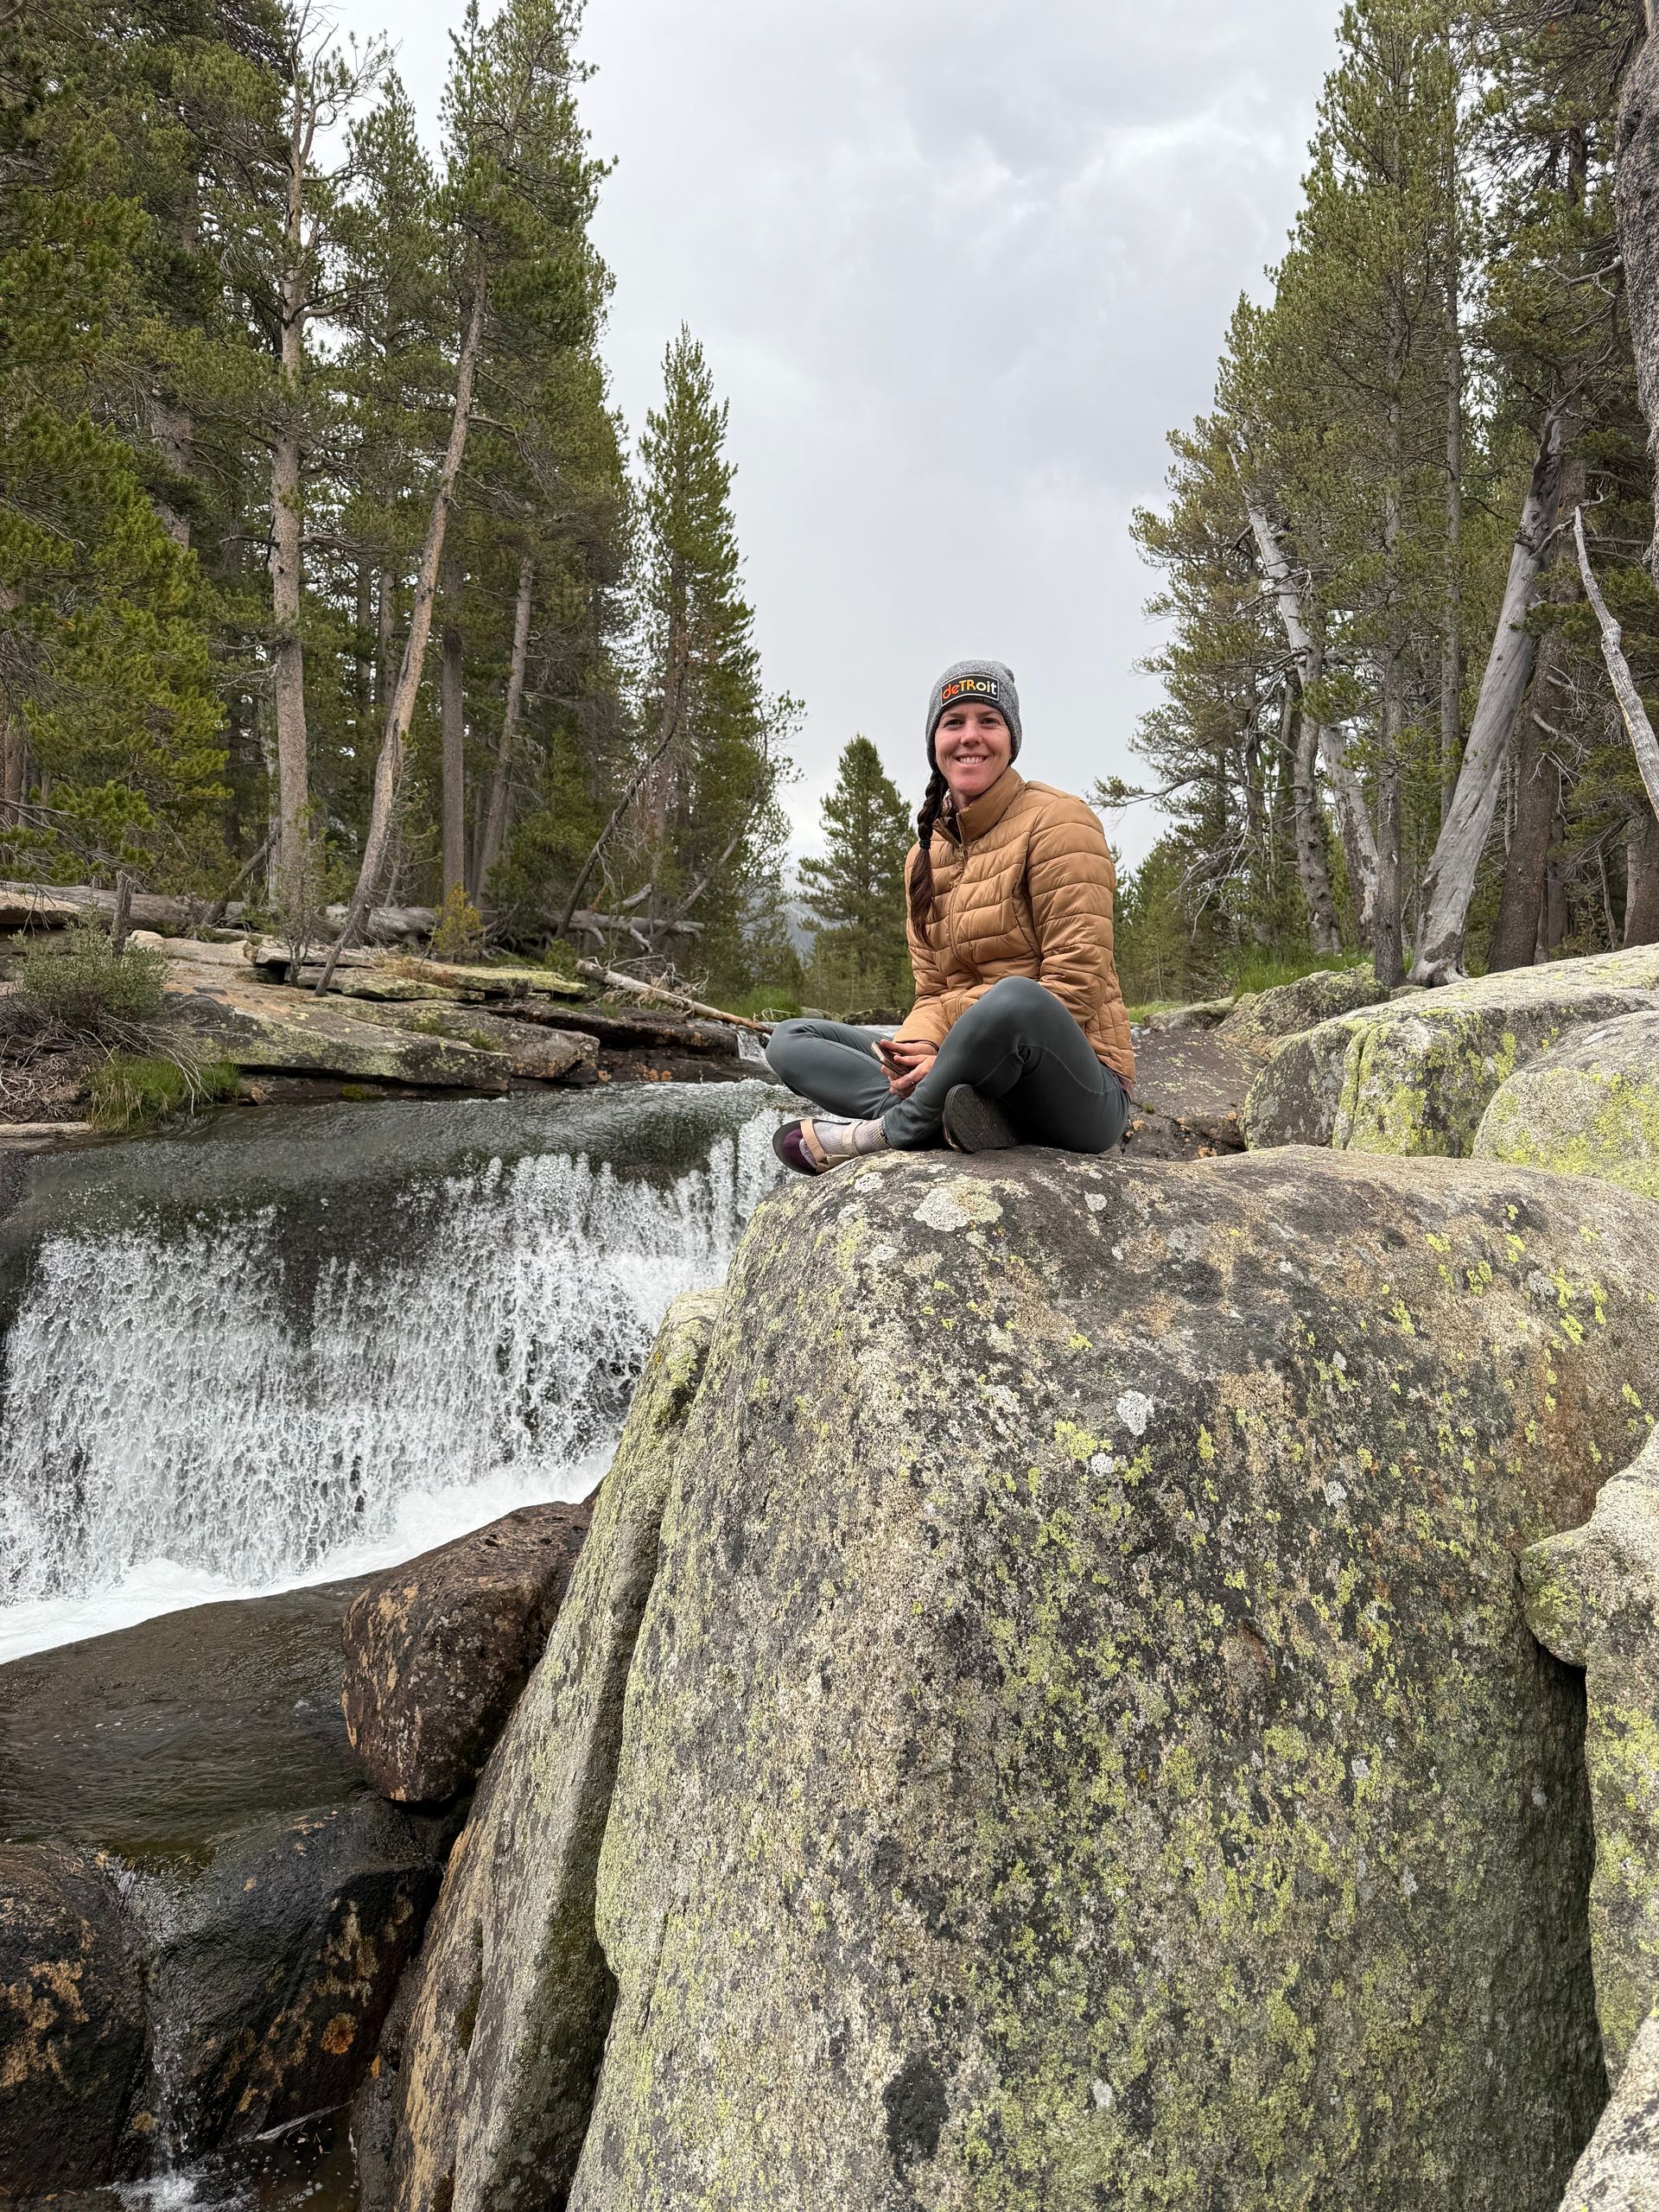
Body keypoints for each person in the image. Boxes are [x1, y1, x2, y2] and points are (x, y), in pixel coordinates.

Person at [768, 658, 1135, 1174]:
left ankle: (891, 1129)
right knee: (790, 1041)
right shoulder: (922, 856)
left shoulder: (1060, 822)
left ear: (1011, 738)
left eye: (989, 721)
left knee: (1016, 999)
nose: (971, 737)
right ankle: (952, 1115)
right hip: (972, 1078)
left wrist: (950, 1057)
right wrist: (918, 1050)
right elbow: (933, 993)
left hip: (1078, 1088)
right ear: (933, 741)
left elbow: (1076, 983)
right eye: (953, 722)